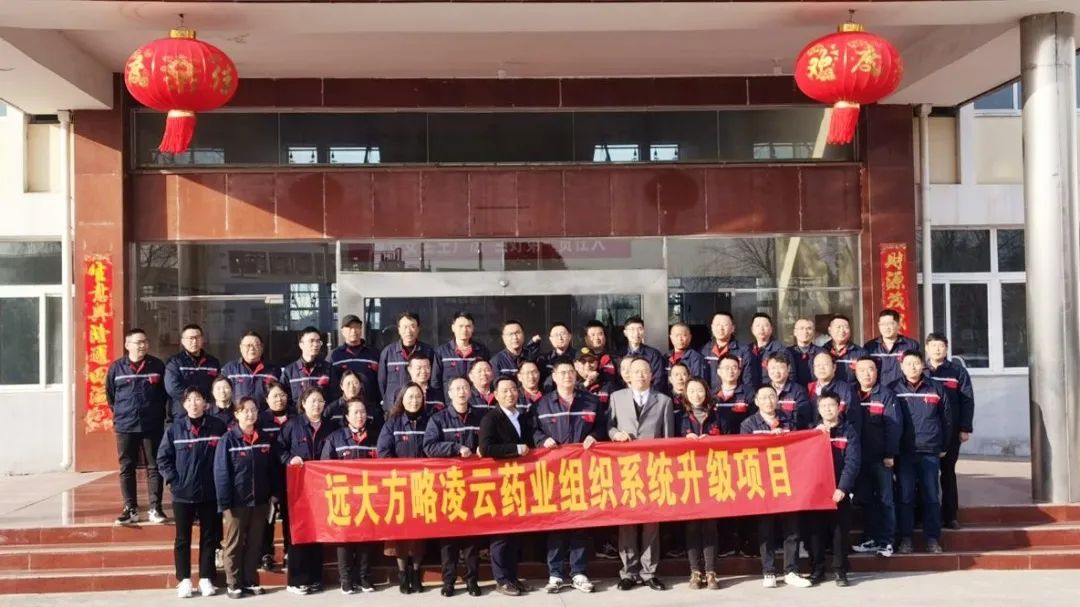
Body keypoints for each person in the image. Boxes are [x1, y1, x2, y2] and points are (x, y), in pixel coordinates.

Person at [534, 360, 602, 594]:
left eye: (571, 372)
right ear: (554, 377)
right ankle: (555, 573)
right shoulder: (542, 404)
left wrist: (595, 435)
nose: (567, 376)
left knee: (579, 523)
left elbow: (603, 426)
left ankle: (579, 572)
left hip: (582, 472)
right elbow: (533, 430)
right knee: (556, 523)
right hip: (554, 474)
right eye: (562, 373)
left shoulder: (591, 401)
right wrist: (542, 440)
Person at [608, 357, 674, 591]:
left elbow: (668, 438)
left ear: (651, 375)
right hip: (625, 469)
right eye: (636, 371)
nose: (640, 375)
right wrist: (615, 434)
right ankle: (629, 572)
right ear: (628, 375)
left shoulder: (664, 401)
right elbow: (609, 426)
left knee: (651, 523)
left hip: (653, 469)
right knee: (627, 521)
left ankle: (649, 572)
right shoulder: (616, 398)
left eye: (645, 371)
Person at [157, 387, 228, 598]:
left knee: (209, 537)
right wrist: (173, 481)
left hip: (210, 492)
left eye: (198, 399)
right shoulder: (174, 429)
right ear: (184, 404)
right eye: (189, 400)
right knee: (182, 538)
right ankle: (184, 579)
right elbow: (163, 458)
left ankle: (206, 578)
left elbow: (225, 456)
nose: (194, 403)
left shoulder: (217, 426)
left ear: (206, 403)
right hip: (183, 493)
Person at [740, 385, 810, 589]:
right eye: (763, 397)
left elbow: (799, 448)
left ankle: (791, 570)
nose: (768, 401)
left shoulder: (789, 421)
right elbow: (745, 452)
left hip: (786, 480)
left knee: (792, 528)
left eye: (772, 396)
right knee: (766, 528)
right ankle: (769, 571)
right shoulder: (748, 424)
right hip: (762, 482)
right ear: (756, 401)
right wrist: (768, 441)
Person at [423, 377, 485, 597]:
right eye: (456, 388)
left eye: (465, 388)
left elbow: (491, 440)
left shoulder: (481, 416)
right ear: (449, 393)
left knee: (471, 538)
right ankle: (448, 581)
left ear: (470, 391)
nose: (461, 392)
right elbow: (429, 447)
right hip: (448, 486)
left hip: (475, 486)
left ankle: (472, 580)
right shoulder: (438, 419)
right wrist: (455, 448)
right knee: (448, 538)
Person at [214, 397, 278, 598]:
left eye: (253, 410)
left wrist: (273, 494)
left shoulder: (265, 439)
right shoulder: (228, 440)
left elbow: (272, 469)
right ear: (237, 414)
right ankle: (233, 583)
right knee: (233, 543)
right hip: (236, 502)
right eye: (245, 411)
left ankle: (250, 581)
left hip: (260, 501)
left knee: (254, 543)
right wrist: (225, 502)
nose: (250, 414)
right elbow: (221, 472)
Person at [478, 376, 536, 597]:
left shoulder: (523, 417)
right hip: (499, 483)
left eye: (513, 389)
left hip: (520, 482)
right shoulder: (491, 418)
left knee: (515, 534)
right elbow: (486, 448)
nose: (509, 394)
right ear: (495, 395)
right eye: (504, 390)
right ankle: (501, 580)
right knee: (501, 535)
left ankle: (513, 577)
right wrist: (515, 448)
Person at [279, 386, 339, 595]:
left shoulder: (331, 427)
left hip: (322, 488)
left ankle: (315, 578)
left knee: (317, 531)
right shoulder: (292, 425)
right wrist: (289, 459)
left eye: (320, 401)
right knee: (299, 533)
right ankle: (296, 580)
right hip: (299, 488)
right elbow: (279, 449)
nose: (317, 405)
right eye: (313, 401)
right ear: (303, 404)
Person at [891, 351, 952, 554]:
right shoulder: (894, 389)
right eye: (908, 364)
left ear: (922, 365)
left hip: (930, 451)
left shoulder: (936, 388)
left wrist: (944, 445)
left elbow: (946, 418)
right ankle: (906, 539)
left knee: (931, 496)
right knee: (905, 496)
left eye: (916, 363)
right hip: (904, 452)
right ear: (901, 367)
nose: (912, 367)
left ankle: (932, 539)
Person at [106, 327, 168, 526]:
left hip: (152, 425)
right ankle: (130, 508)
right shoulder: (117, 368)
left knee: (154, 466)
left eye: (145, 342)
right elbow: (111, 396)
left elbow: (163, 395)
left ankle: (155, 508)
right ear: (127, 345)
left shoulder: (157, 365)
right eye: (138, 342)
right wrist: (123, 413)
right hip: (126, 425)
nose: (142, 345)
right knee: (127, 467)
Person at [377, 383, 430, 594]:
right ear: (402, 399)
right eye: (410, 397)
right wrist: (401, 471)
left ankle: (416, 573)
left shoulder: (429, 421)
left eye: (418, 397)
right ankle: (402, 573)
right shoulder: (392, 423)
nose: (414, 401)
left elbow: (433, 448)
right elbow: (383, 452)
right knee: (399, 531)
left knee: (419, 533)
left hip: (423, 484)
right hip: (398, 485)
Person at [321, 398, 378, 595]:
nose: (360, 416)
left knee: (365, 539)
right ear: (346, 416)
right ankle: (346, 580)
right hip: (343, 498)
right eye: (355, 412)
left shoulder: (375, 437)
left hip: (366, 497)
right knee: (344, 540)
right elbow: (325, 468)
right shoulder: (335, 438)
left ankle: (364, 578)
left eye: (363, 412)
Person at [850, 356, 901, 558]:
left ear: (877, 372)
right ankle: (870, 538)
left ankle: (887, 541)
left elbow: (894, 426)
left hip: (881, 459)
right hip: (858, 458)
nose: (867, 374)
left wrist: (890, 453)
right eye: (862, 370)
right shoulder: (850, 393)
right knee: (865, 500)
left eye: (870, 369)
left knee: (886, 499)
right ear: (855, 373)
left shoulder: (886, 395)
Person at [808, 392, 860, 587]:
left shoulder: (849, 431)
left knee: (840, 533)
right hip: (816, 491)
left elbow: (852, 462)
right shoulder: (811, 431)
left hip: (839, 489)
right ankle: (817, 569)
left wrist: (843, 487)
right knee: (815, 532)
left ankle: (840, 571)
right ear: (818, 409)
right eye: (824, 406)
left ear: (839, 408)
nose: (828, 409)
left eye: (831, 405)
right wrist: (816, 434)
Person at [925, 332, 975, 530]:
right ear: (927, 348)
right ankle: (925, 515)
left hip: (951, 431)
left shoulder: (957, 371)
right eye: (933, 346)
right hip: (926, 431)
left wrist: (965, 428)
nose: (937, 349)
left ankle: (950, 516)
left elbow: (967, 400)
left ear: (946, 349)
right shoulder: (920, 370)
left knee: (947, 472)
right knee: (925, 475)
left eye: (941, 346)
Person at [676, 378, 722, 590]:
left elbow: (731, 443)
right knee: (692, 525)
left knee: (710, 525)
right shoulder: (679, 417)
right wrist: (684, 441)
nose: (696, 395)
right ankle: (695, 571)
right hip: (689, 477)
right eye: (692, 391)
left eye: (700, 390)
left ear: (706, 392)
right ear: (686, 394)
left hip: (713, 476)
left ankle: (711, 571)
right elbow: (669, 445)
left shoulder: (717, 416)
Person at [257, 381, 293, 572]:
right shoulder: (261, 420)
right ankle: (266, 553)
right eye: (274, 396)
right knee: (267, 516)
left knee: (289, 515)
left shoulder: (295, 417)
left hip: (289, 474)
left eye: (282, 395)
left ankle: (289, 551)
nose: (279, 399)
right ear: (267, 399)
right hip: (266, 473)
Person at [164, 323, 222, 425]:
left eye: (197, 337)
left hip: (208, 413)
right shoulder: (174, 362)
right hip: (182, 415)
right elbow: (172, 388)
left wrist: (207, 403)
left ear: (202, 339)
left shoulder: (213, 362)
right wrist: (194, 402)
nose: (194, 341)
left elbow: (218, 385)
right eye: (190, 338)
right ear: (183, 341)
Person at [378, 312, 436, 412]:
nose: (408, 331)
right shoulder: (388, 352)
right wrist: (388, 401)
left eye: (412, 326)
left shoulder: (428, 351)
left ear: (418, 329)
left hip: (419, 405)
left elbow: (433, 379)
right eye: (405, 327)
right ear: (399, 330)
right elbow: (382, 382)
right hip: (394, 407)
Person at [329, 314, 382, 415]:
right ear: (342, 331)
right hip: (343, 409)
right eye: (349, 328)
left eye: (356, 327)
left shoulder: (374, 354)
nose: (353, 331)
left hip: (369, 408)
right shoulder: (335, 356)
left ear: (361, 329)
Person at [433, 312, 491, 397]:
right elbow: (435, 381)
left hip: (476, 400)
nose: (464, 330)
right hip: (450, 401)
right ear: (453, 328)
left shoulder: (482, 351)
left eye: (468, 326)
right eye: (460, 326)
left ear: (473, 328)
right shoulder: (442, 352)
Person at [221, 331, 280, 410]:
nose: (252, 348)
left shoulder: (273, 370)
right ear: (241, 348)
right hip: (238, 415)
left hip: (266, 415)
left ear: (262, 347)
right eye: (248, 345)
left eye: (256, 345)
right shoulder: (229, 370)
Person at [864, 308, 922, 388]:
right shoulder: (870, 347)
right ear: (879, 325)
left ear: (898, 325)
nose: (886, 327)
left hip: (903, 391)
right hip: (879, 391)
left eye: (890, 323)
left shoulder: (911, 345)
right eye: (883, 324)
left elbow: (919, 368)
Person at [280, 327, 335, 407]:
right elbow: (284, 398)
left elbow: (334, 397)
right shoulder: (289, 371)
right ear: (301, 345)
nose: (315, 344)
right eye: (311, 341)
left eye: (318, 341)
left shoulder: (328, 368)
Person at [808, 351, 862, 429]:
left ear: (834, 367)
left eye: (825, 364)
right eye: (818, 365)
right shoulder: (809, 389)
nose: (821, 368)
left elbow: (853, 420)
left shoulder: (846, 390)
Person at [700, 312, 749, 391]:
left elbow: (747, 379)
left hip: (736, 395)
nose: (721, 328)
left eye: (725, 325)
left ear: (733, 328)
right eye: (717, 324)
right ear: (712, 327)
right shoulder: (703, 351)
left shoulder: (743, 350)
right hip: (710, 395)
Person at [764, 351, 812, 429]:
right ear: (767, 369)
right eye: (773, 368)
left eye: (780, 367)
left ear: (788, 368)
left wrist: (782, 426)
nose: (776, 372)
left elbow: (803, 419)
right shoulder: (763, 390)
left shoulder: (798, 391)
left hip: (790, 433)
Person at [618, 316, 665, 391]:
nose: (636, 333)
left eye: (640, 329)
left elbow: (658, 381)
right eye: (632, 329)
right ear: (625, 333)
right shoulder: (618, 354)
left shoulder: (653, 354)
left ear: (644, 331)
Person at [713, 354, 756, 435]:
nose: (730, 371)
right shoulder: (712, 394)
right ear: (719, 371)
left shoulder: (748, 393)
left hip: (742, 438)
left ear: (739, 372)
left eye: (734, 368)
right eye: (727, 368)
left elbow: (754, 418)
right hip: (718, 440)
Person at [822, 315, 866, 384]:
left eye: (846, 327)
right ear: (830, 330)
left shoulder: (860, 353)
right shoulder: (822, 351)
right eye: (838, 327)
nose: (842, 330)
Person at [745, 313, 785, 388]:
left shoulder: (780, 349)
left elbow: (789, 374)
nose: (761, 329)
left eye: (765, 325)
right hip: (751, 391)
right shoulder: (747, 350)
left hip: (772, 390)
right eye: (757, 325)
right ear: (752, 329)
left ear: (771, 329)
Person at [666, 322, 707, 389]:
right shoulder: (666, 357)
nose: (680, 339)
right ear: (671, 338)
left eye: (684, 335)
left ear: (690, 337)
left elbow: (697, 383)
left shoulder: (696, 358)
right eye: (677, 335)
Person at [787, 318, 826, 387]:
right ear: (795, 332)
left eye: (809, 328)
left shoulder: (822, 352)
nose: (805, 331)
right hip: (793, 390)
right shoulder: (787, 352)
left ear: (813, 332)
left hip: (816, 390)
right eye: (801, 328)